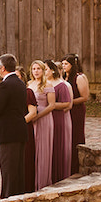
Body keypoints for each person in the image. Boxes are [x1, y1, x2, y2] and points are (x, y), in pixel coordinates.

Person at [0, 53, 27, 199]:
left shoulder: (5, 85)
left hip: (8, 133)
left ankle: (8, 197)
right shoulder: (21, 83)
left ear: (3, 68)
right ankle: (18, 195)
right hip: (19, 130)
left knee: (8, 168)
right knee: (18, 168)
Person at [27, 61, 56, 189]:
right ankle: (31, 180)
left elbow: (52, 105)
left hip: (44, 119)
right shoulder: (29, 84)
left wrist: (37, 116)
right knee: (33, 149)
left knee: (43, 149)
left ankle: (43, 182)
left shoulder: (47, 85)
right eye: (34, 69)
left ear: (43, 70)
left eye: (38, 68)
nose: (36, 71)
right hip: (31, 119)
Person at [63, 54, 88, 174]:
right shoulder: (64, 77)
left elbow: (84, 97)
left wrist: (70, 103)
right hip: (66, 110)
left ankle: (76, 165)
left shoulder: (79, 78)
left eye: (66, 64)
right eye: (62, 64)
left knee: (75, 135)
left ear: (73, 65)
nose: (63, 66)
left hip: (76, 110)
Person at [48, 61, 73, 183]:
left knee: (58, 145)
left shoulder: (62, 85)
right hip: (45, 119)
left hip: (58, 118)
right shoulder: (43, 84)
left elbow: (68, 104)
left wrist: (50, 106)